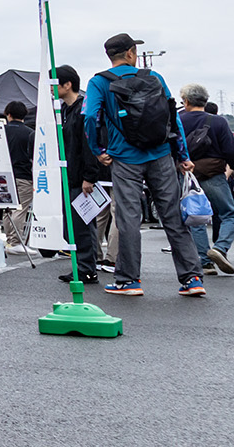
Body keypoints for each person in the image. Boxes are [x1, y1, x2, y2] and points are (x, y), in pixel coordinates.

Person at [84, 34, 203, 298]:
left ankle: (128, 280)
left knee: (128, 218)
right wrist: (182, 155)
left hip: (124, 157)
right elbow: (174, 118)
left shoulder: (99, 82)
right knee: (173, 215)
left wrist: (98, 151)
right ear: (130, 53)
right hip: (160, 154)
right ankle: (192, 277)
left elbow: (90, 117)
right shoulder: (155, 77)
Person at [55, 65, 107, 283]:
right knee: (74, 225)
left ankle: (87, 268)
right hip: (69, 174)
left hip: (81, 175)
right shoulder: (65, 111)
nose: (52, 89)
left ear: (67, 85)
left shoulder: (82, 110)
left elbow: (88, 146)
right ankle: (82, 266)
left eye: (54, 84)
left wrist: (89, 176)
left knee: (83, 224)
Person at [180, 88, 234, 275]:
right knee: (229, 214)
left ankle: (205, 262)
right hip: (214, 174)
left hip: (187, 174)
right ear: (205, 102)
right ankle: (220, 248)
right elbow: (230, 151)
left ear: (186, 102)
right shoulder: (218, 121)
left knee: (196, 217)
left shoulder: (178, 121)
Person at [2, 100, 35, 248]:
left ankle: (9, 239)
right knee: (20, 210)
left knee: (7, 209)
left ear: (8, 114)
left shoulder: (2, 132)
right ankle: (15, 242)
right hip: (24, 175)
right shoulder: (30, 133)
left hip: (4, 176)